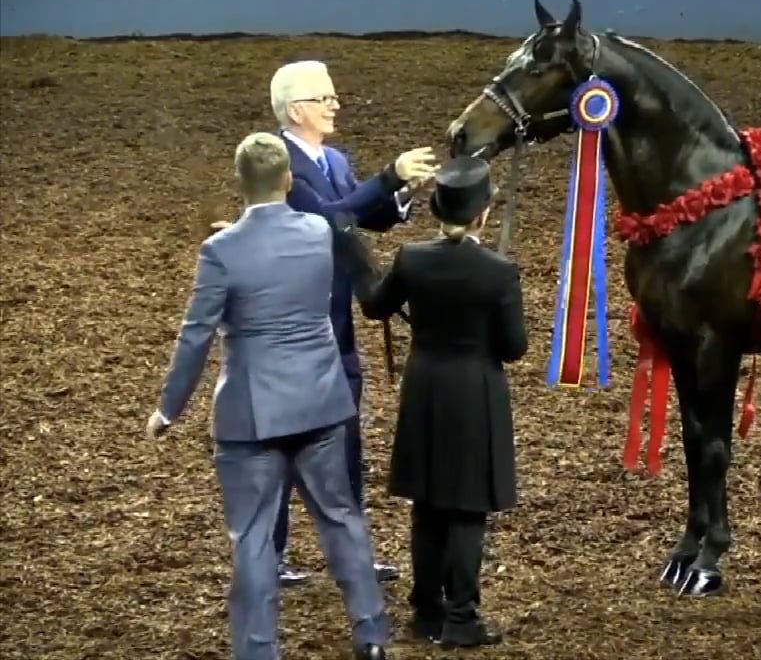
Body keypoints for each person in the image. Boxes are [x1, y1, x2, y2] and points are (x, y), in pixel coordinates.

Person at [144, 132, 391, 660]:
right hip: (322, 401)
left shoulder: (221, 251)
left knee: (253, 539)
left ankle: (258, 652)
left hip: (251, 415)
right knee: (342, 520)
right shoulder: (319, 233)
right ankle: (371, 638)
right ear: (286, 180)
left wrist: (169, 409)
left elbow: (196, 334)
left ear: (240, 182)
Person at [330, 156, 526, 649]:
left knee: (428, 504)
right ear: (483, 213)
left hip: (424, 386)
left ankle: (426, 612)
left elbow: (375, 304)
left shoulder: (412, 257)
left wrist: (352, 249)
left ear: (438, 208)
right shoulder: (499, 271)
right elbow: (513, 347)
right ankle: (461, 617)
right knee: (465, 509)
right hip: (475, 389)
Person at [268, 59, 438, 586]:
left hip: (337, 324)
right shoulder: (278, 160)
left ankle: (352, 554)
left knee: (347, 447)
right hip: (298, 325)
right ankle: (272, 557)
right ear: (296, 109)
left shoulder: (334, 158)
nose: (335, 105)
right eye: (325, 98)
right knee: (283, 451)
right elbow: (328, 217)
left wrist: (403, 193)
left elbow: (368, 214)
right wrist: (388, 175)